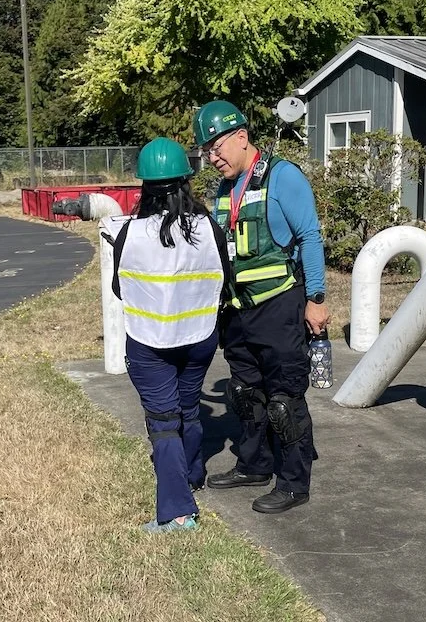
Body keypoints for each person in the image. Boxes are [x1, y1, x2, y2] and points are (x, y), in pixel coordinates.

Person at [193, 99, 329, 514]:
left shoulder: (283, 177)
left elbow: (310, 236)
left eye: (216, 147)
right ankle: (254, 465)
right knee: (245, 393)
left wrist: (316, 300)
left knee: (284, 400)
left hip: (279, 305)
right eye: (206, 151)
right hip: (238, 310)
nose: (212, 158)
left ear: (241, 136)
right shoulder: (225, 188)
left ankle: (293, 483)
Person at [111, 137, 232, 533]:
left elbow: (119, 288)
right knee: (188, 408)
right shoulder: (208, 228)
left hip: (149, 342)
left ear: (144, 186)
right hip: (199, 337)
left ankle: (178, 512)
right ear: (186, 181)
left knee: (164, 421)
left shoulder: (130, 233)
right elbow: (224, 281)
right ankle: (192, 475)